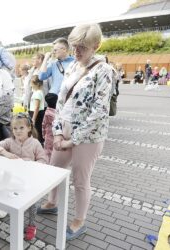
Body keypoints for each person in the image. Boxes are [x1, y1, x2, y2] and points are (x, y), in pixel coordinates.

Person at [37, 23, 114, 241]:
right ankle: (53, 202)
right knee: (55, 168)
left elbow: (100, 111)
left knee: (80, 179)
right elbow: (61, 102)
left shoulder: (104, 70)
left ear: (96, 46)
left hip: (88, 136)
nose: (76, 51)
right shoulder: (72, 67)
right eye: (74, 46)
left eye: (82, 47)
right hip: (66, 130)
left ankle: (79, 220)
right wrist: (59, 132)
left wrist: (73, 141)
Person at [0, 113, 48, 240]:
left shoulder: (35, 143)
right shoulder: (10, 142)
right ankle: (5, 205)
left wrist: (31, 165)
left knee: (32, 202)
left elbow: (43, 160)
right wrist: (5, 153)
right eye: (15, 128)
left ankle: (32, 225)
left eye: (21, 128)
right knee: (7, 189)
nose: (18, 131)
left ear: (29, 128)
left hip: (29, 179)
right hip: (14, 178)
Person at [42, 93, 58, 160]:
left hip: (49, 134)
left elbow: (43, 125)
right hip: (50, 135)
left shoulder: (48, 112)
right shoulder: (50, 113)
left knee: (49, 150)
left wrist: (43, 134)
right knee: (49, 151)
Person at [29, 75, 45, 144]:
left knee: (37, 130)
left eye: (31, 83)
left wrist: (33, 118)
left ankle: (38, 143)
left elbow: (37, 107)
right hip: (36, 113)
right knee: (37, 130)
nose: (30, 84)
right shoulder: (38, 92)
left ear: (36, 84)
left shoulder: (37, 93)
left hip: (36, 114)